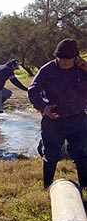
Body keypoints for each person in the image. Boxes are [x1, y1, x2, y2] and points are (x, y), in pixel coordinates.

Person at [27, 38, 87, 189]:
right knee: (51, 155)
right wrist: (43, 106)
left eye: (69, 60)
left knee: (81, 155)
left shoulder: (82, 69)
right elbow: (33, 90)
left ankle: (85, 188)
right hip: (53, 120)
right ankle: (47, 186)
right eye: (62, 59)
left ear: (76, 58)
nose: (66, 63)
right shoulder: (47, 70)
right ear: (56, 57)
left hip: (78, 119)